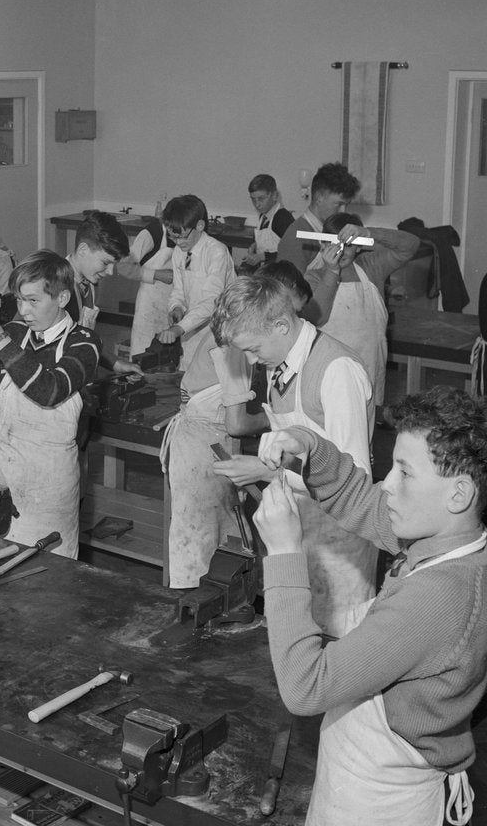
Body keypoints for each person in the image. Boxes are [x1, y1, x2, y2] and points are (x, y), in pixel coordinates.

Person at [253, 387, 486, 826]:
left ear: (458, 494)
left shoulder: (439, 598)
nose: (388, 486)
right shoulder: (450, 539)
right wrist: (309, 446)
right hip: (367, 769)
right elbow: (364, 502)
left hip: (379, 802)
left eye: (404, 473)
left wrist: (285, 552)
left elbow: (305, 687)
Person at [210, 273, 376, 638]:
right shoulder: (280, 364)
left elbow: (356, 480)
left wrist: (267, 472)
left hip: (339, 539)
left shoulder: (336, 370)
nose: (251, 359)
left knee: (339, 646)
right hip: (301, 525)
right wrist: (267, 468)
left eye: (253, 348)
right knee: (294, 637)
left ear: (282, 325)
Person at [0, 250, 101, 558]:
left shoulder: (83, 343)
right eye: (19, 300)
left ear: (63, 297)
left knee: (47, 575)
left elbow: (49, 391)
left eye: (33, 300)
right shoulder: (16, 333)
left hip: (46, 482)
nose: (24, 311)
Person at [163, 261, 311, 589]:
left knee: (225, 540)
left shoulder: (237, 325)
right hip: (201, 448)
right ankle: (192, 606)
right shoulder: (237, 340)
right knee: (201, 542)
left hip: (207, 440)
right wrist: (284, 420)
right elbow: (237, 423)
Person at [304, 213, 420, 406]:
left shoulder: (371, 267)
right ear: (322, 245)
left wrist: (368, 232)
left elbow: (411, 245)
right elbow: (318, 317)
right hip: (331, 372)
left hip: (370, 368)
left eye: (348, 244)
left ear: (359, 246)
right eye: (333, 244)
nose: (340, 251)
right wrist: (332, 272)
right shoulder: (313, 277)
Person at [157, 194, 235, 373]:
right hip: (191, 328)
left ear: (199, 226)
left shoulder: (217, 253)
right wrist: (176, 307)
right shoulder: (179, 252)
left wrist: (179, 328)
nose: (178, 242)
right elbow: (178, 289)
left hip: (220, 330)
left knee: (214, 383)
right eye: (173, 238)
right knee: (189, 379)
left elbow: (211, 303)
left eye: (183, 237)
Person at [64, 210, 143, 375]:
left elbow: (85, 338)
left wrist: (115, 363)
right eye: (105, 263)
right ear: (83, 250)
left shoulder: (88, 282)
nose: (109, 272)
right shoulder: (54, 288)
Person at [277, 162, 360, 273]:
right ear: (319, 198)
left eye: (346, 205)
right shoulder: (297, 238)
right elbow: (287, 288)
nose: (343, 211)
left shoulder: (332, 231)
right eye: (339, 204)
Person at [115, 216, 175, 356]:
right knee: (143, 356)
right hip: (150, 307)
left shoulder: (185, 236)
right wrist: (156, 274)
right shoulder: (152, 233)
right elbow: (123, 267)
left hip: (172, 305)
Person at [240, 174, 294, 270]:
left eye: (261, 199)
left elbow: (291, 251)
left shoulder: (282, 218)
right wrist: (253, 247)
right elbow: (268, 241)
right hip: (267, 270)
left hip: (281, 273)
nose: (257, 204)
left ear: (274, 196)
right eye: (253, 199)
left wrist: (262, 257)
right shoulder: (263, 216)